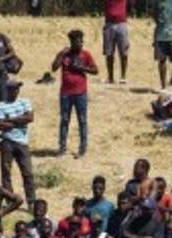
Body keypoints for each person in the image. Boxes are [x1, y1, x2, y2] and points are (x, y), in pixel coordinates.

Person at [53, 30, 97, 158]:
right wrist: (61, 54)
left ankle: (82, 149)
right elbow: (54, 67)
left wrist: (82, 68)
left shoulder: (85, 54)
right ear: (71, 42)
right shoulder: (65, 55)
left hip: (80, 93)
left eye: (81, 42)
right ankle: (62, 148)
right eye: (76, 42)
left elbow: (95, 70)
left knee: (82, 121)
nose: (79, 44)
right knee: (64, 120)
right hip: (65, 93)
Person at [0, 79, 36, 210]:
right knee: (6, 172)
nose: (16, 91)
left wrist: (11, 119)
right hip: (7, 142)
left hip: (22, 142)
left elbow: (30, 118)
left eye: (17, 88)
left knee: (28, 172)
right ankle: (10, 200)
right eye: (13, 89)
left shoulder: (25, 102)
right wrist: (20, 121)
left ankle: (31, 201)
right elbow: (1, 125)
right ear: (7, 90)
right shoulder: (1, 105)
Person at [103, 0, 131, 84]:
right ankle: (110, 77)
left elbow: (131, 4)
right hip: (109, 23)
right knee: (109, 52)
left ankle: (123, 77)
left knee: (124, 52)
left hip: (121, 23)